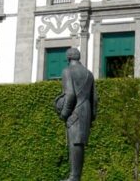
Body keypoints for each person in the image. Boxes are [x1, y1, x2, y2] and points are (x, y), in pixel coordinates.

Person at [54, 47, 98, 181]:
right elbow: (94, 98)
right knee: (79, 144)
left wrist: (64, 114)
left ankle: (74, 177)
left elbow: (70, 95)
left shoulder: (67, 71)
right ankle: (75, 176)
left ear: (68, 58)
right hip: (86, 110)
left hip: (75, 111)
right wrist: (92, 116)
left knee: (74, 144)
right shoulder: (89, 73)